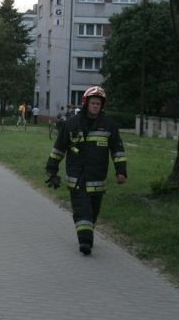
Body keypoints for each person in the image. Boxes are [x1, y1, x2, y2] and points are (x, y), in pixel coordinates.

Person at [44, 86, 127, 255]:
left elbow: (117, 150)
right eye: (93, 103)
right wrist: (51, 169)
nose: (96, 106)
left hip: (98, 178)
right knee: (82, 211)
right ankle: (85, 243)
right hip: (77, 178)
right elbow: (59, 148)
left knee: (92, 213)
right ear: (86, 103)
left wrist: (121, 171)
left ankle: (87, 234)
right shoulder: (71, 123)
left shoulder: (109, 125)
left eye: (98, 103)